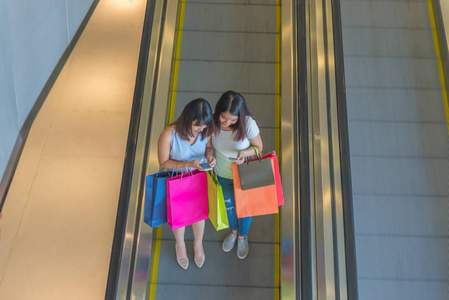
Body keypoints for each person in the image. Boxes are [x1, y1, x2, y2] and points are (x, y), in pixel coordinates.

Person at [158, 98, 216, 270]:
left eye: (204, 126)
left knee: (199, 215)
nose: (201, 130)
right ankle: (180, 245)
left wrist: (210, 156)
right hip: (177, 178)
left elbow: (208, 148)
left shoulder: (205, 131)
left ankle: (198, 244)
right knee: (180, 217)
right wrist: (188, 165)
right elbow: (163, 162)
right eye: (198, 126)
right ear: (187, 119)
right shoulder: (169, 134)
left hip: (198, 177)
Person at [207, 91, 263, 259]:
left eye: (233, 120)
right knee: (229, 207)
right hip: (223, 174)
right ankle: (233, 231)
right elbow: (209, 146)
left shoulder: (248, 123)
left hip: (244, 175)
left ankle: (242, 236)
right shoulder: (212, 120)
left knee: (245, 209)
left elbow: (258, 148)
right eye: (224, 118)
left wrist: (244, 153)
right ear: (218, 112)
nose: (227, 123)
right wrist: (209, 156)